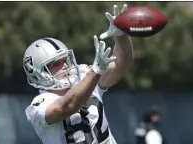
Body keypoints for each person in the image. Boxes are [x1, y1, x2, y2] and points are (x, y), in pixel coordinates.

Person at [24, 4, 133, 144]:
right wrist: (95, 72)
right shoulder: (39, 105)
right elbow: (66, 107)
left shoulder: (84, 76)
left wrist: (122, 36)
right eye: (55, 64)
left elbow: (121, 64)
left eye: (65, 60)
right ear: (39, 74)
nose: (64, 65)